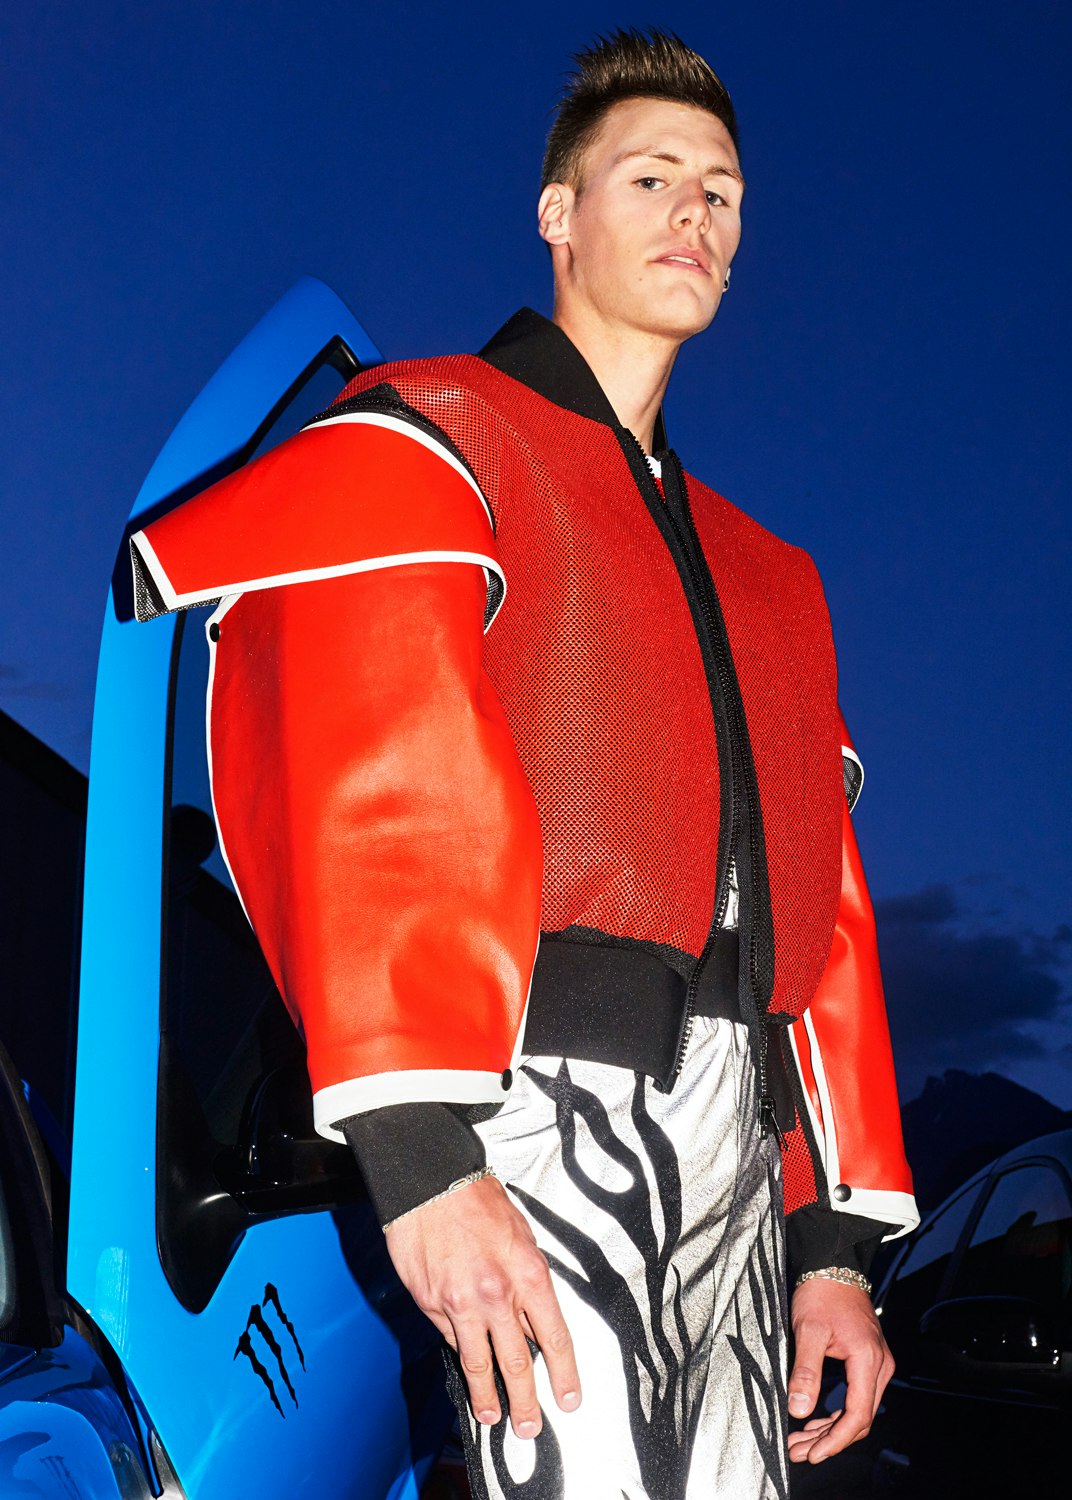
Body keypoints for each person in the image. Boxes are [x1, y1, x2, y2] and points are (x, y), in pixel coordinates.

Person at [130, 29, 917, 1499]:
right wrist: (423, 1162)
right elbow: (370, 786)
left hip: (742, 1165)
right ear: (560, 212)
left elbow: (819, 921)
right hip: (537, 1118)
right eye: (652, 177)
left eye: (724, 193)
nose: (696, 214)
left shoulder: (775, 577)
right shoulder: (439, 437)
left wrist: (830, 1250)